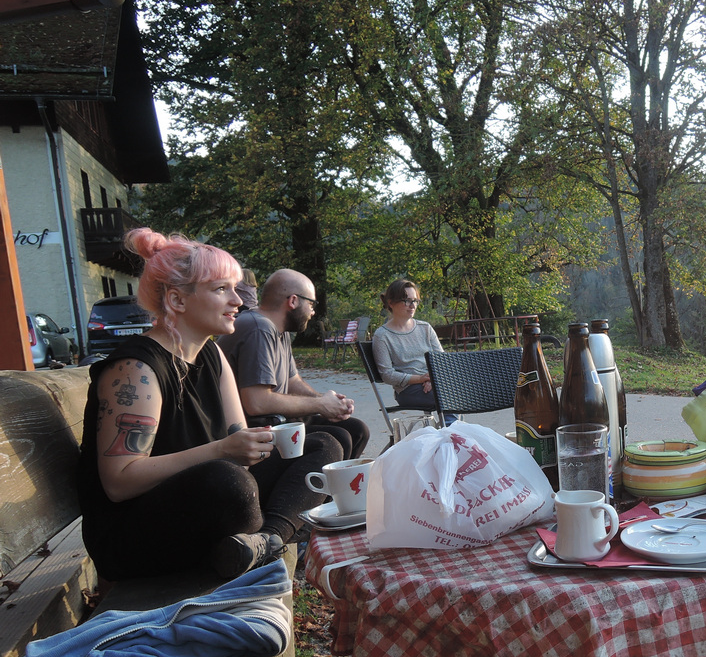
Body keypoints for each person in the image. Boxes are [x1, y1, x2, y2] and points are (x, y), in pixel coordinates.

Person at [77, 229, 342, 581]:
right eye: (221, 289)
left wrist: (258, 442)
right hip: (135, 537)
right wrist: (222, 450)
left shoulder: (211, 353)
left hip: (204, 504)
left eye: (235, 288)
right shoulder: (134, 370)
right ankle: (262, 546)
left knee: (323, 445)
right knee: (229, 481)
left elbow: (238, 442)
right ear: (177, 300)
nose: (238, 301)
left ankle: (266, 540)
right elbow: (119, 481)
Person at [219, 269, 371, 460]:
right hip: (252, 433)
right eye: (311, 304)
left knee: (356, 430)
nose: (313, 312)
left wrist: (328, 401)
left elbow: (293, 381)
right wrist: (320, 405)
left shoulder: (278, 330)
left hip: (275, 421)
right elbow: (257, 403)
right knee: (332, 441)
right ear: (293, 301)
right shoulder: (259, 328)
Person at [371, 279, 456, 425]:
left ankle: (450, 431)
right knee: (448, 394)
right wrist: (421, 379)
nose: (413, 305)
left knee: (455, 390)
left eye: (415, 301)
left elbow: (442, 360)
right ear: (391, 303)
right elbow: (387, 375)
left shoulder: (425, 328)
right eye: (407, 301)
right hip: (408, 390)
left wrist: (433, 379)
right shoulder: (382, 336)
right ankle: (452, 432)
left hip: (436, 384)